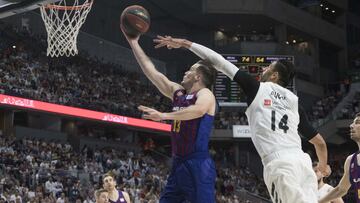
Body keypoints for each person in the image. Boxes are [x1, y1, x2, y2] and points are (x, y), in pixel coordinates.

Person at [153, 36, 331, 203]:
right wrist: (322, 167)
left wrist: (185, 43)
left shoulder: (257, 88)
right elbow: (320, 143)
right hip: (303, 161)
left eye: (268, 68)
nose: (263, 69)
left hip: (280, 164)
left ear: (275, 76)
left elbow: (219, 61)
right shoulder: (294, 102)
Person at [122, 28, 217, 203]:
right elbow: (152, 72)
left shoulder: (205, 95)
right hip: (178, 163)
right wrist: (133, 43)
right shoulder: (178, 93)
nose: (186, 72)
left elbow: (198, 110)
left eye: (190, 70)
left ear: (197, 76)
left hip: (197, 164)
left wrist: (163, 115)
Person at [319, 112, 360, 203]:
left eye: (357, 122)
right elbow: (341, 189)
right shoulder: (350, 160)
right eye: (352, 122)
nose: (351, 125)